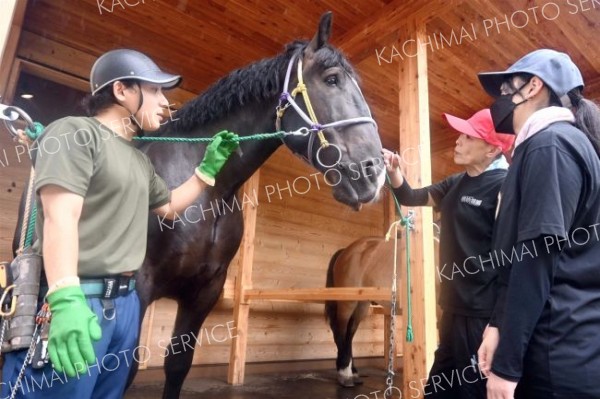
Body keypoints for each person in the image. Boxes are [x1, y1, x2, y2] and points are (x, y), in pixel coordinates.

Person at [1, 49, 239, 398]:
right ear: (121, 91)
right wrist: (66, 298)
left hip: (126, 305)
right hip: (78, 300)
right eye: (155, 90)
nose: (165, 102)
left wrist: (206, 171)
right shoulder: (73, 133)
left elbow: (171, 206)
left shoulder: (139, 162)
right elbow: (59, 217)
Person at [476, 49, 600, 399]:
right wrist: (498, 325)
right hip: (555, 347)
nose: (499, 100)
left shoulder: (552, 145)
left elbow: (536, 260)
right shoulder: (545, 145)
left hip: (556, 360)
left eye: (504, 89)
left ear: (533, 86)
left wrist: (507, 367)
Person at [383, 108, 514, 399]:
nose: (458, 141)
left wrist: (497, 323)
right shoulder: (457, 182)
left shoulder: (505, 185)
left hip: (481, 314)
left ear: (492, 148)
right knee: (438, 389)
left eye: (468, 136)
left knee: (471, 392)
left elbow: (512, 261)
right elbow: (411, 197)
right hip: (452, 306)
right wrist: (394, 171)